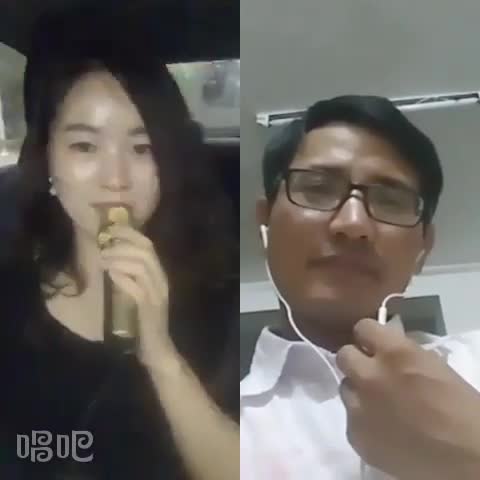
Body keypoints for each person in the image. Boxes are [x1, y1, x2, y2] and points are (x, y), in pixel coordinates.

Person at [0, 5, 238, 480]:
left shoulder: (222, 299)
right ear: (48, 161)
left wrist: (161, 356)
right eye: (85, 146)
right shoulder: (9, 294)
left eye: (142, 148)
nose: (116, 178)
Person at [241, 95, 480, 479]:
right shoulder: (217, 427)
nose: (353, 224)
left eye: (390, 200)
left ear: (423, 249)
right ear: (264, 224)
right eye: (318, 188)